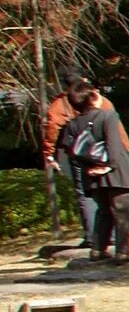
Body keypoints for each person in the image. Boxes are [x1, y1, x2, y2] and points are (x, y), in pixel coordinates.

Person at [58, 84, 129, 262]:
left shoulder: (73, 124)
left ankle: (98, 249)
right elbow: (114, 144)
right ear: (93, 96)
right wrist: (111, 165)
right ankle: (123, 252)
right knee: (121, 211)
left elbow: (71, 150)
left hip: (91, 172)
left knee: (103, 211)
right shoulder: (108, 115)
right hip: (116, 172)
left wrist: (88, 168)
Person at [38, 84, 78, 239]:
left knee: (81, 191)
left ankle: (92, 234)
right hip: (96, 149)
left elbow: (53, 127)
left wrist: (49, 154)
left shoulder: (60, 103)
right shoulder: (94, 97)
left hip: (72, 149)